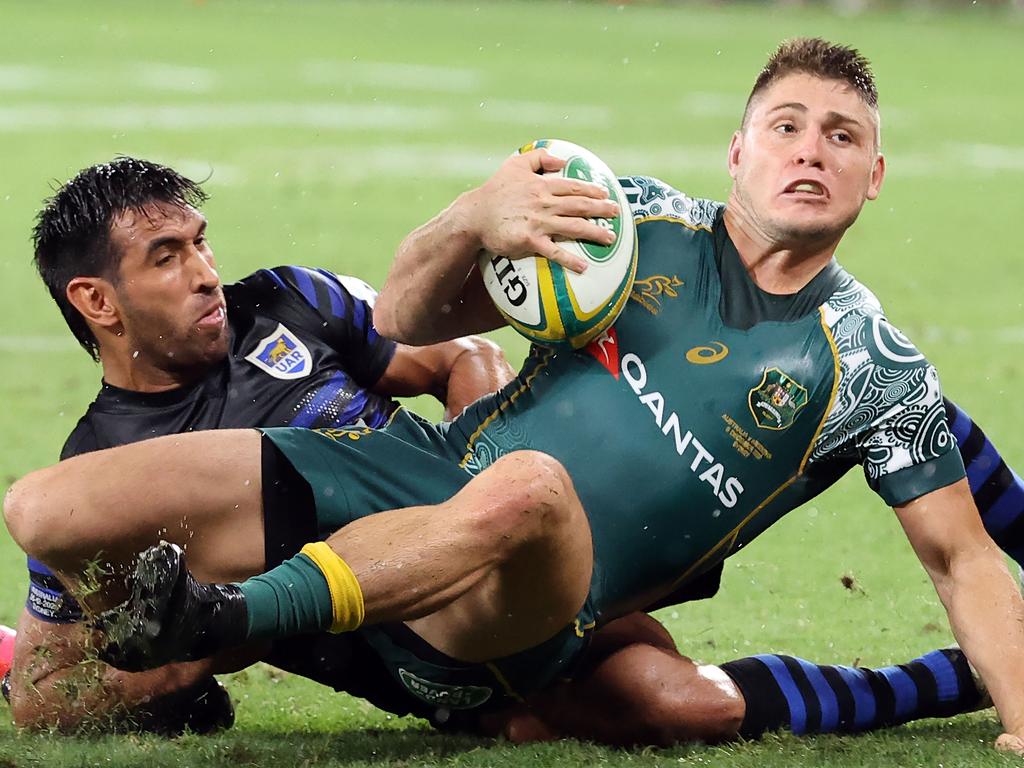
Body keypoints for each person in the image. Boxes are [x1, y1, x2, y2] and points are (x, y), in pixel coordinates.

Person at [5, 39, 1024, 753]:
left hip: (516, 585)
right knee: (41, 504)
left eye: (840, 136)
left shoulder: (869, 365)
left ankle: (221, 618)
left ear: (875, 175)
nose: (810, 149)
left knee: (544, 507)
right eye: (787, 125)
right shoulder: (623, 220)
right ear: (737, 149)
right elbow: (410, 310)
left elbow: (962, 558)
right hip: (396, 499)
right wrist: (475, 215)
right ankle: (200, 639)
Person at [3, 157, 515, 733]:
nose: (205, 275)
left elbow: (466, 356)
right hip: (425, 660)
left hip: (495, 546)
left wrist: (475, 487)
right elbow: (43, 695)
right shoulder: (100, 475)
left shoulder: (289, 300)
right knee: (616, 700)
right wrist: (184, 668)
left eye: (201, 243)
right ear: (98, 301)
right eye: (168, 258)